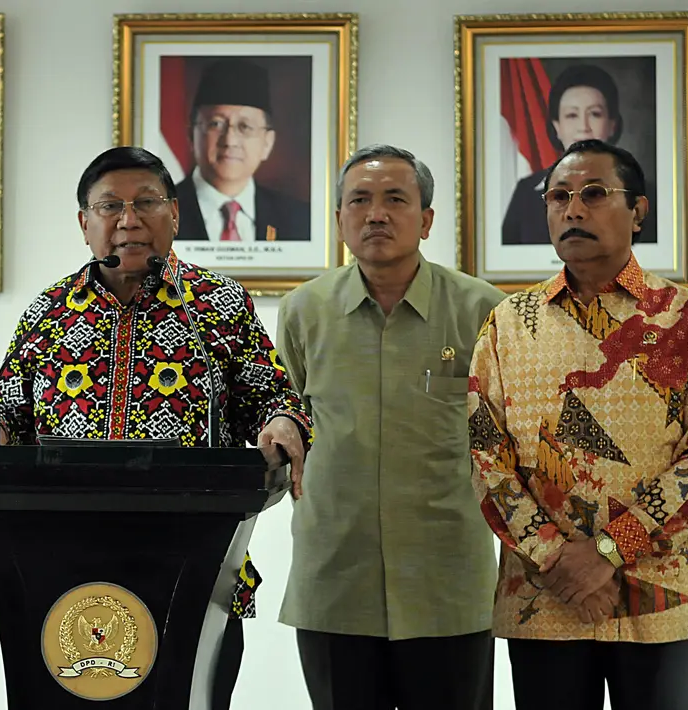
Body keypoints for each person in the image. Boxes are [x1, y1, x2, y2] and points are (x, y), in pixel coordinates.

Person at [0, 145, 312, 708]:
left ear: (174, 214)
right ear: (84, 223)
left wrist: (283, 421)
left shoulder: (217, 305)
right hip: (62, 567)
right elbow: (8, 415)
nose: (128, 219)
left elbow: (271, 397)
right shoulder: (49, 311)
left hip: (192, 566)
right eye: (110, 207)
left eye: (146, 202)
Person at [469, 139, 688, 710]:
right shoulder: (507, 325)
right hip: (545, 598)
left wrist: (608, 551)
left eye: (594, 194)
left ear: (638, 211)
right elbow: (486, 458)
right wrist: (557, 558)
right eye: (559, 197)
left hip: (665, 595)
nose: (572, 210)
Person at [274, 144, 504, 710]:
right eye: (360, 200)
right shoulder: (304, 310)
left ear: (425, 219)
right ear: (339, 220)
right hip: (336, 575)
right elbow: (287, 411)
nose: (376, 213)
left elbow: (511, 438)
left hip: (445, 576)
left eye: (395, 199)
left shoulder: (483, 311)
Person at [502, 63, 657, 246]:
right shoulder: (525, 192)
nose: (584, 126)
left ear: (612, 124)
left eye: (595, 114)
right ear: (556, 127)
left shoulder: (647, 192)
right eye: (572, 115)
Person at [173, 58, 310, 242]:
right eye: (216, 124)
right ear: (191, 135)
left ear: (267, 143)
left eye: (245, 126)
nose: (230, 141)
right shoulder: (160, 213)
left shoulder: (299, 220)